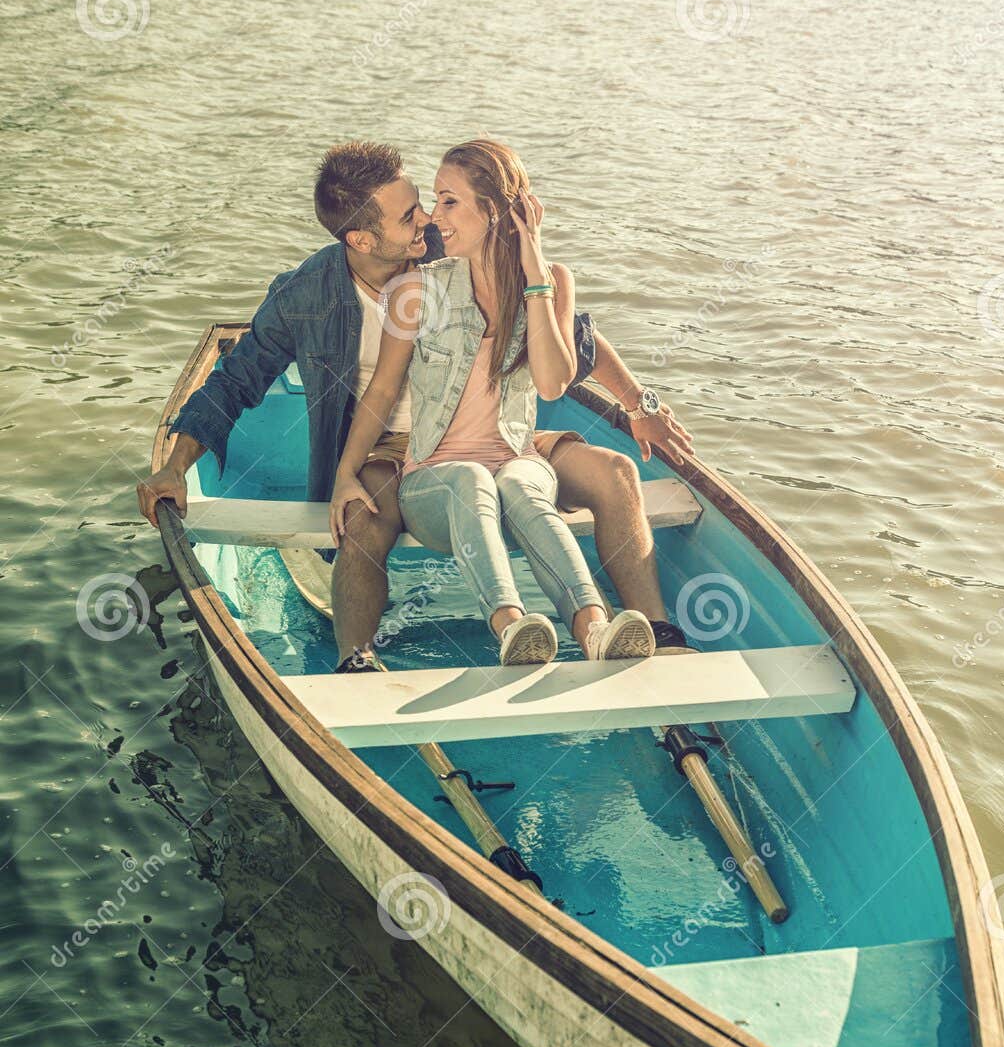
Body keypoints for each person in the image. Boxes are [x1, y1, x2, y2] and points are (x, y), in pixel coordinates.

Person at [137, 142, 694, 667]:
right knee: (363, 516)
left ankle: (657, 635)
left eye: (428, 205)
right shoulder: (307, 296)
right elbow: (236, 380)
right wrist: (176, 467)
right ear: (361, 240)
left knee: (616, 472)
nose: (428, 219)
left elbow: (567, 336)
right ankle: (358, 661)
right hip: (390, 447)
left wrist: (638, 404)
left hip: (500, 434)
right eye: (409, 216)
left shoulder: (453, 247)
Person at [332, 140, 655, 665]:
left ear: (495, 211)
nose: (434, 217)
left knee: (521, 483)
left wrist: (535, 276)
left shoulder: (552, 283)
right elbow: (383, 391)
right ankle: (512, 628)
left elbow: (552, 384)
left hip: (516, 459)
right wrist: (346, 473)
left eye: (449, 201)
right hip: (434, 480)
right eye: (435, 201)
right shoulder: (417, 290)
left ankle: (595, 631)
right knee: (471, 478)